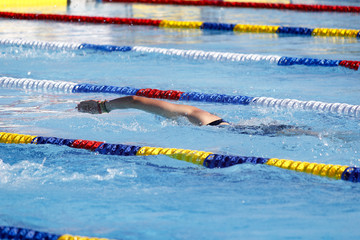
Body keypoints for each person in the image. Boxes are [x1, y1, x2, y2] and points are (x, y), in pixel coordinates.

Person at [77, 95, 318, 137]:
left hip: (233, 131)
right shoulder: (195, 113)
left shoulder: (186, 113)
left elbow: (134, 101)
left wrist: (103, 107)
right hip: (234, 127)